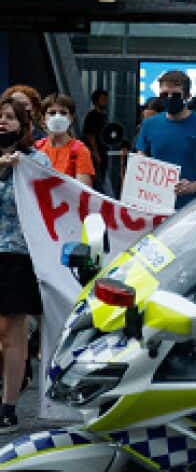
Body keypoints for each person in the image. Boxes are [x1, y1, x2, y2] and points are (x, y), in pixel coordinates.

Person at [0, 95, 51, 430]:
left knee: (9, 330)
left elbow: (50, 199)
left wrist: (22, 170)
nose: (2, 122)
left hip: (16, 253)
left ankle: (9, 405)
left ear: (23, 125)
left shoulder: (37, 161)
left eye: (9, 117)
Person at [134, 70, 196, 209]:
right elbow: (140, 162)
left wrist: (195, 186)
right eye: (164, 95)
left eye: (175, 95)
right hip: (154, 205)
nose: (169, 98)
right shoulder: (149, 124)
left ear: (187, 96)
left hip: (191, 207)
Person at [35, 93, 94, 186]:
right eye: (52, 113)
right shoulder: (36, 148)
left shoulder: (80, 151)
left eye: (63, 113)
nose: (57, 117)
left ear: (71, 118)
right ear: (43, 119)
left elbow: (83, 191)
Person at [82, 88, 109, 181]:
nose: (105, 101)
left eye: (106, 99)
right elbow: (90, 136)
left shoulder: (104, 116)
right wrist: (96, 153)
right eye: (102, 99)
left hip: (103, 152)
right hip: (94, 154)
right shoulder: (92, 116)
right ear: (96, 101)